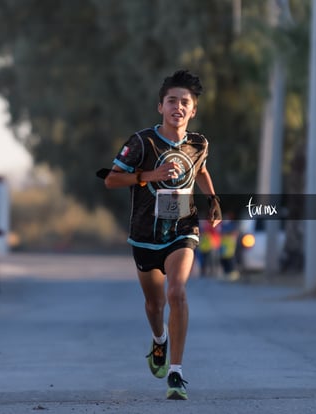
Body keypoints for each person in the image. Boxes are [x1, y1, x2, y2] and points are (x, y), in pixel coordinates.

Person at [104, 69, 222, 400]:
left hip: (183, 229)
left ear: (193, 109)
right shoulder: (142, 142)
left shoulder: (199, 143)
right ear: (161, 106)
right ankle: (159, 341)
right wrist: (150, 175)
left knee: (177, 293)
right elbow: (112, 180)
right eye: (172, 101)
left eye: (185, 102)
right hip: (145, 235)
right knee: (154, 305)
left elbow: (199, 169)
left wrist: (212, 199)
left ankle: (177, 373)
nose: (178, 107)